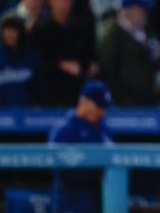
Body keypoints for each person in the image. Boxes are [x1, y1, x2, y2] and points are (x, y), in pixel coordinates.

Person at [48, 80, 114, 213]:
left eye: (104, 108)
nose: (102, 112)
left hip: (99, 198)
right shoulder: (64, 129)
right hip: (71, 200)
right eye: (98, 106)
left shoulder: (104, 128)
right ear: (84, 101)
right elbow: (60, 169)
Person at [98, 0, 160, 106]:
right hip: (126, 100)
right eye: (142, 10)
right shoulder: (113, 35)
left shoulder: (147, 30)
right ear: (129, 11)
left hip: (147, 97)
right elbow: (109, 68)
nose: (145, 14)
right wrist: (120, 96)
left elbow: (155, 51)